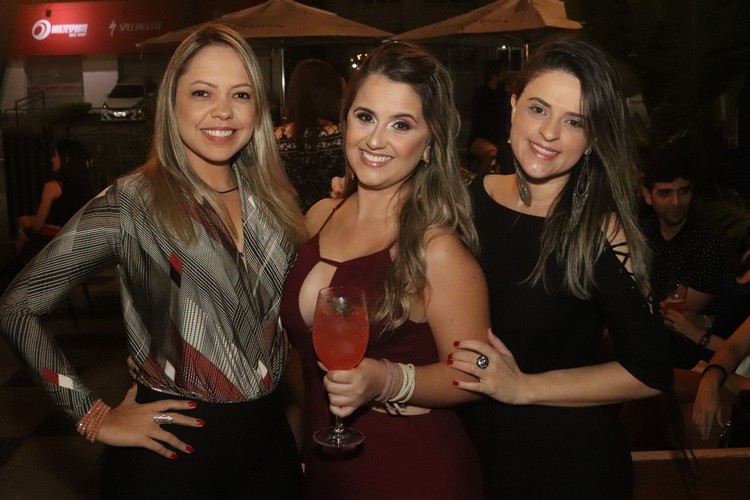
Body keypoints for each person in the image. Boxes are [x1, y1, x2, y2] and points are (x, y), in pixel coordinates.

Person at [0, 24, 306, 499]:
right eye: (202, 92)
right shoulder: (133, 202)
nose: (223, 110)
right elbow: (17, 307)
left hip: (270, 447)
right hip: (171, 453)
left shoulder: (273, 201)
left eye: (241, 94)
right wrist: (91, 415)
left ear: (257, 109)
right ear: (172, 104)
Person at [447, 37, 674, 499]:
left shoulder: (600, 231)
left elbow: (651, 370)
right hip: (473, 457)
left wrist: (524, 388)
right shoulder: (464, 203)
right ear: (513, 106)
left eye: (574, 121)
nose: (549, 132)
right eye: (538, 109)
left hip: (566, 465)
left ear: (593, 138)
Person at [280, 41, 488, 499]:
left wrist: (385, 380)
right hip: (326, 466)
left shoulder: (435, 248)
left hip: (412, 472)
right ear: (345, 120)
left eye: (401, 124)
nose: (375, 140)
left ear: (429, 143)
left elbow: (474, 374)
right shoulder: (319, 217)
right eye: (365, 117)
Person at [640, 145, 732, 368]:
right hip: (647, 334)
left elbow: (675, 315)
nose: (676, 201)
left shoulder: (710, 241)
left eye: (683, 191)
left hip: (691, 350)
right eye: (665, 193)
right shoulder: (641, 232)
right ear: (648, 196)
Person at [275, 59, 346, 212]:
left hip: (289, 218)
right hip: (334, 216)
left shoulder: (275, 139)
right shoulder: (345, 135)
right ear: (332, 94)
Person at [15, 138, 94, 263]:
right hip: (77, 245)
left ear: (66, 159)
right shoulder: (88, 187)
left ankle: (22, 271)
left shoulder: (52, 187)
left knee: (23, 227)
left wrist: (27, 221)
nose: (52, 159)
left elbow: (37, 225)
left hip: (52, 243)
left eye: (56, 155)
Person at [467, 59, 511, 174]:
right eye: (503, 73)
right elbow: (484, 123)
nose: (506, 76)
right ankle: (481, 180)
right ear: (494, 76)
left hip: (498, 139)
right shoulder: (481, 94)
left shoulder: (503, 95)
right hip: (479, 139)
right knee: (492, 151)